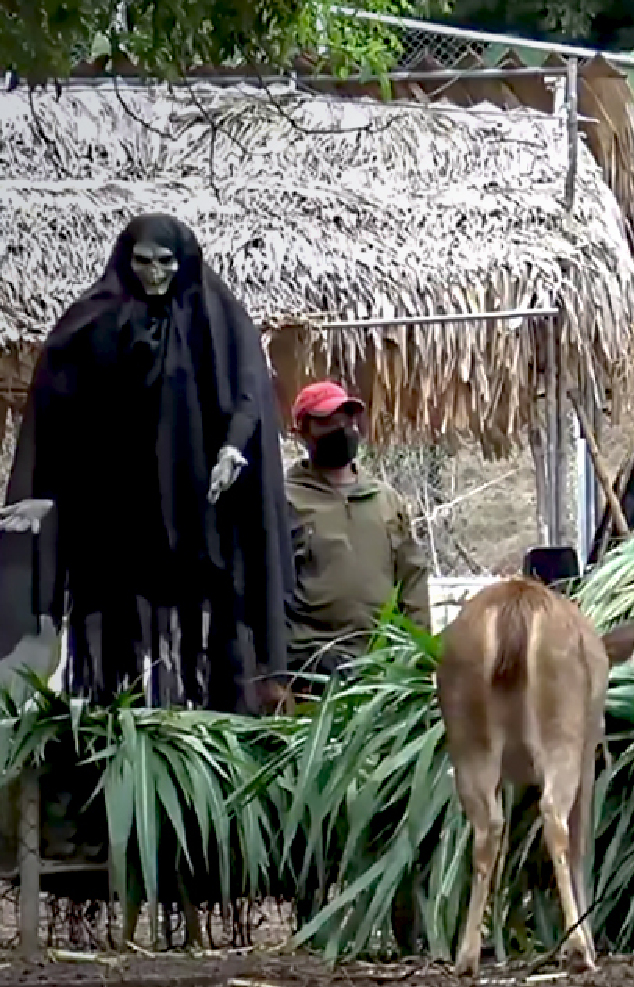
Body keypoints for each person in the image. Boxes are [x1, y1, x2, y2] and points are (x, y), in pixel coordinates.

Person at [0, 213, 293, 715]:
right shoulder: (94, 320)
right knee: (118, 621)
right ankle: (119, 721)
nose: (154, 274)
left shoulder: (218, 317)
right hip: (119, 511)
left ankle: (204, 721)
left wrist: (233, 447)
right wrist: (48, 489)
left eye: (165, 262)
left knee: (204, 620)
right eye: (142, 262)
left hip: (197, 508)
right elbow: (60, 407)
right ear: (125, 260)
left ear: (184, 262)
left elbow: (248, 392)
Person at [284, 381, 431, 683]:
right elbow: (264, 592)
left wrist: (419, 655)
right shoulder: (284, 501)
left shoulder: (386, 500)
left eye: (347, 418)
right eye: (327, 421)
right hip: (309, 667)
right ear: (301, 432)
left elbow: (412, 577)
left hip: (381, 668)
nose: (341, 428)